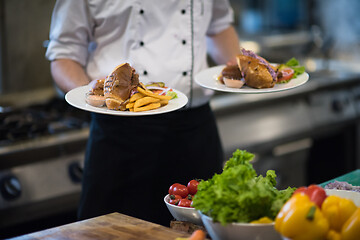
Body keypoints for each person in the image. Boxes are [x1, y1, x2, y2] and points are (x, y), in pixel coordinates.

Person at [46, 0, 241, 226]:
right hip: (119, 135)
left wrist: (242, 70)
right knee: (109, 232)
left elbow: (219, 27)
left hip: (195, 131)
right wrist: (90, 95)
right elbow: (63, 54)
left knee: (200, 230)